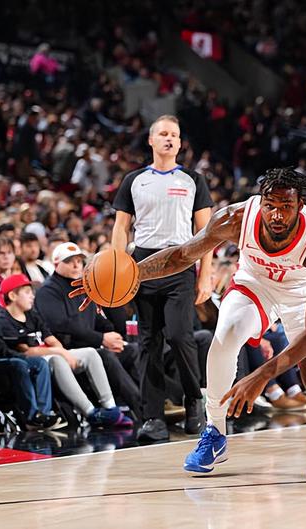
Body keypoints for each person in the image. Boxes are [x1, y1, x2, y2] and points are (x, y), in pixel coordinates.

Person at [72, 167, 306, 478]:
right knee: (223, 340)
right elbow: (181, 255)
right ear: (260, 202)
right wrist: (126, 276)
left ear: (300, 206)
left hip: (301, 293)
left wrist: (262, 375)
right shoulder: (236, 218)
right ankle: (215, 432)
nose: (276, 214)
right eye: (270, 205)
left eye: (286, 207)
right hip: (255, 283)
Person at [111, 114, 213, 442]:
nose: (169, 139)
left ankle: (194, 397)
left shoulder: (194, 180)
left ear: (180, 144)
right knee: (148, 342)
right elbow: (121, 228)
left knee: (181, 336)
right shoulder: (134, 180)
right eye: (164, 134)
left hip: (180, 261)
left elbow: (207, 234)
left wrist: (206, 275)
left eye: (175, 135)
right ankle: (152, 417)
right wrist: (117, 268)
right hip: (142, 263)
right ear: (151, 140)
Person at [0, 274, 132, 428]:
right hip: (35, 361)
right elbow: (27, 352)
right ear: (12, 296)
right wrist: (61, 353)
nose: (32, 295)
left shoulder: (32, 314)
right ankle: (90, 412)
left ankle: (110, 406)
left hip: (52, 353)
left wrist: (63, 352)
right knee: (58, 360)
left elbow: (51, 339)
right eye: (27, 292)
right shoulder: (4, 320)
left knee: (90, 353)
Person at [34, 243, 141, 419]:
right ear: (56, 264)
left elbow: (96, 318)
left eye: (79, 260)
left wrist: (111, 334)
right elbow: (62, 325)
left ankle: (154, 403)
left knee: (133, 350)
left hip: (94, 345)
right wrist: (101, 338)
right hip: (71, 351)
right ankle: (139, 407)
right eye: (69, 261)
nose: (76, 265)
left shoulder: (84, 286)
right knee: (105, 356)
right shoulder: (48, 291)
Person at [0, 277, 62, 430]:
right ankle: (31, 416)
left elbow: (2, 349)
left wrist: (23, 356)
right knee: (18, 364)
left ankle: (43, 413)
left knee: (39, 362)